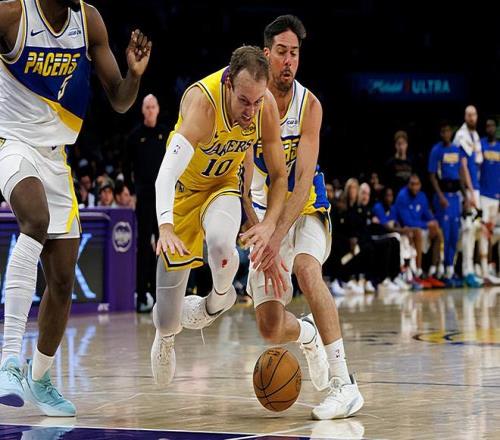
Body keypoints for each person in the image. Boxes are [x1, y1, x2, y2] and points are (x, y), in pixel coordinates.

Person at [0, 0, 151, 416]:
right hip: (10, 141)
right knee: (35, 219)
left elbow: (120, 100)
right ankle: (9, 360)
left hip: (55, 155)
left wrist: (134, 75)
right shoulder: (12, 15)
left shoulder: (89, 20)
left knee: (63, 280)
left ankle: (40, 378)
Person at [243, 16, 363, 420]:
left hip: (307, 205)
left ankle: (344, 385)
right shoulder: (250, 103)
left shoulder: (310, 105)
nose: (288, 61)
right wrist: (259, 231)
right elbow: (241, 183)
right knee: (270, 327)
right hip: (264, 214)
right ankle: (308, 333)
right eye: (281, 52)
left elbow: (303, 179)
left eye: (294, 53)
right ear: (266, 54)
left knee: (307, 269)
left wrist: (277, 238)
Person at [152, 46, 288, 388]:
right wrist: (165, 226)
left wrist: (269, 224)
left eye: (257, 101)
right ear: (228, 85)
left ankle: (216, 302)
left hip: (222, 186)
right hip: (182, 192)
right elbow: (165, 174)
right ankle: (165, 337)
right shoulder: (203, 104)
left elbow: (279, 175)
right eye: (244, 101)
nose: (251, 111)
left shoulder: (264, 107)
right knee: (166, 320)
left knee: (222, 247)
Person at [125, 94, 168, 312]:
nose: (150, 110)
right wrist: (132, 192)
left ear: (158, 109)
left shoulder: (166, 134)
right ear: (143, 110)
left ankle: (161, 295)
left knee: (164, 245)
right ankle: (141, 295)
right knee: (143, 246)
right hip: (143, 197)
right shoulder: (135, 136)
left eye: (153, 106)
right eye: (147, 107)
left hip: (164, 197)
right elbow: (126, 166)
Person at [428, 122, 467, 287]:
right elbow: (432, 176)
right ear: (440, 133)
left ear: (451, 133)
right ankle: (440, 269)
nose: (446, 134)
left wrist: (466, 197)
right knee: (443, 234)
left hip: (455, 197)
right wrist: (440, 196)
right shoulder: (436, 150)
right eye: (443, 131)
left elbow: (461, 174)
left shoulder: (456, 150)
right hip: (442, 197)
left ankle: (450, 268)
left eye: (448, 131)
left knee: (454, 234)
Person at [395, 174, 444, 288]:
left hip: (420, 227)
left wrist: (433, 222)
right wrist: (427, 224)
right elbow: (407, 221)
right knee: (418, 232)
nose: (414, 187)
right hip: (406, 230)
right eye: (412, 184)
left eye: (417, 184)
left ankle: (433, 270)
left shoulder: (422, 196)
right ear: (408, 185)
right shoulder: (402, 196)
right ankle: (418, 271)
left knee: (438, 232)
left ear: (420, 185)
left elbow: (427, 214)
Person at [454, 105, 483, 287]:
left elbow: (477, 164)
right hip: (466, 190)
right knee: (467, 230)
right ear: (465, 117)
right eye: (469, 115)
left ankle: (469, 268)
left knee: (473, 230)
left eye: (474, 114)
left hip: (476, 188)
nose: (472, 118)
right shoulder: (461, 136)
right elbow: (462, 166)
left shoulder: (476, 136)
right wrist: (469, 193)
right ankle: (465, 270)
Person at [479, 118, 500, 284]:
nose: (490, 128)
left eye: (492, 126)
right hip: (484, 196)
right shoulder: (480, 145)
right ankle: (484, 269)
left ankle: (493, 267)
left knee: (495, 233)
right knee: (484, 233)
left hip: (497, 197)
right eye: (487, 126)